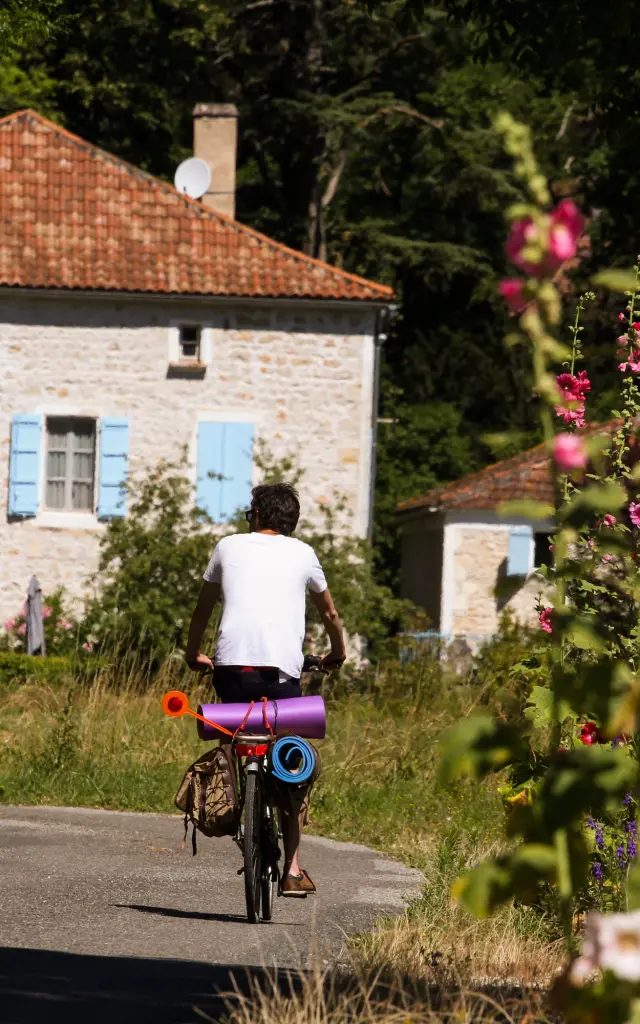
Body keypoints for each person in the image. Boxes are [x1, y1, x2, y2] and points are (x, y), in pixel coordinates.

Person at [185, 481, 346, 897]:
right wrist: (337, 653)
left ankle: (234, 798)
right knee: (292, 761)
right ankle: (292, 868)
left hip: (230, 672)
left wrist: (193, 652)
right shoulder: (304, 554)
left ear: (255, 515)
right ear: (290, 521)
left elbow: (203, 607)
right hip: (282, 679)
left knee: (236, 738)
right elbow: (329, 612)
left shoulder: (227, 546)